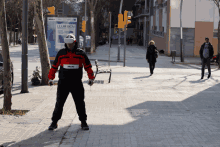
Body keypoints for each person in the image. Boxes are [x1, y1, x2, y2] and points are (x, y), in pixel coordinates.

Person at [48, 34, 95, 131]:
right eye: (68, 44)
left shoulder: (81, 54)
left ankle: (83, 122)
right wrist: (50, 78)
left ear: (74, 43)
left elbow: (88, 66)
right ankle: (54, 122)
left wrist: (91, 78)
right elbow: (54, 67)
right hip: (63, 83)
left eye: (71, 44)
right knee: (59, 103)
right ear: (66, 43)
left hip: (76, 83)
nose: (69, 45)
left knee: (80, 103)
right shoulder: (61, 53)